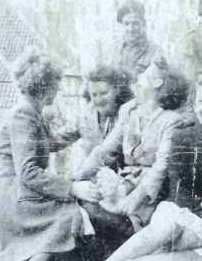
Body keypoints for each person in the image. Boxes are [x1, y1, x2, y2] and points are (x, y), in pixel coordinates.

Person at [84, 72, 202, 261]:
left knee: (167, 234)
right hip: (188, 215)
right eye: (201, 101)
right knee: (169, 222)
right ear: (194, 105)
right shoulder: (183, 137)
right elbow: (180, 194)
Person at [0, 50, 94, 261]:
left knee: (65, 209)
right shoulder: (23, 114)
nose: (59, 89)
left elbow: (48, 144)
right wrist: (72, 188)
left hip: (14, 187)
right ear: (43, 85)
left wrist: (81, 127)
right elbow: (27, 171)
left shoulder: (32, 112)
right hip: (11, 191)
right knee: (66, 210)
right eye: (56, 83)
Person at [77, 59, 189, 232]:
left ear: (157, 82)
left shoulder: (171, 120)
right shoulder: (128, 112)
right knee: (81, 205)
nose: (139, 77)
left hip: (149, 195)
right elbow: (104, 151)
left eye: (145, 74)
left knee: (101, 218)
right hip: (123, 185)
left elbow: (161, 167)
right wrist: (76, 179)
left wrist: (135, 198)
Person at [115, 0, 162, 78]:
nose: (131, 29)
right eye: (126, 24)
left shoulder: (155, 51)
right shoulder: (112, 50)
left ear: (143, 23)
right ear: (121, 24)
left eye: (135, 23)